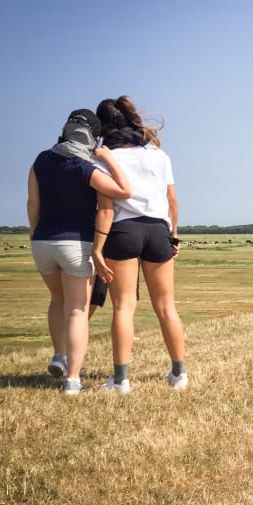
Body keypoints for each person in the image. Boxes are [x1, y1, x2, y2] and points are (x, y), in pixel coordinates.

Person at [27, 109, 132, 395]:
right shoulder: (86, 167)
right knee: (77, 309)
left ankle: (59, 356)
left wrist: (33, 230)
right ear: (94, 139)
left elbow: (32, 201)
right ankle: (72, 379)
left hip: (42, 242)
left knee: (57, 299)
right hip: (76, 244)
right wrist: (108, 159)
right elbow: (123, 191)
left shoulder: (41, 160)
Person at [92, 96, 188, 392]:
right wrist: (173, 235)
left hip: (122, 231)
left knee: (123, 308)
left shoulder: (104, 156)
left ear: (103, 125)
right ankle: (179, 375)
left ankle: (120, 380)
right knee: (166, 307)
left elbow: (105, 207)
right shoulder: (158, 155)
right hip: (158, 230)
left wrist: (97, 247)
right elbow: (172, 200)